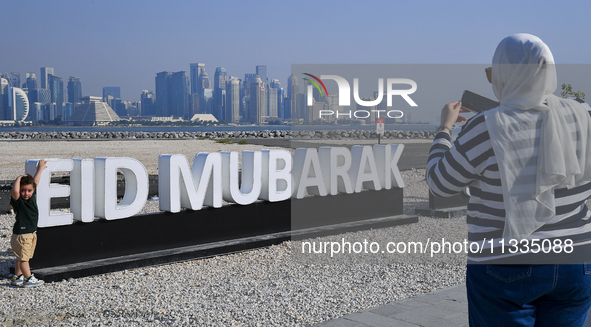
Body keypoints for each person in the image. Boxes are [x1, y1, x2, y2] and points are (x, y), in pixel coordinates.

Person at [426, 34, 591, 326]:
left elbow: (440, 183)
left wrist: (444, 129)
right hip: (576, 263)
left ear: (505, 75)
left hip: (505, 266)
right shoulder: (584, 116)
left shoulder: (487, 126)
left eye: (493, 73)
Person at [10, 159, 47, 288]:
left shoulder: (31, 196)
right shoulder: (18, 201)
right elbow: (14, 191)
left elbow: (35, 182)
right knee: (24, 259)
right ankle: (28, 279)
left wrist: (40, 169)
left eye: (29, 191)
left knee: (20, 257)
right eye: (23, 191)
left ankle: (17, 277)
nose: (26, 193)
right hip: (23, 235)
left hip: (28, 233)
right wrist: (19, 178)